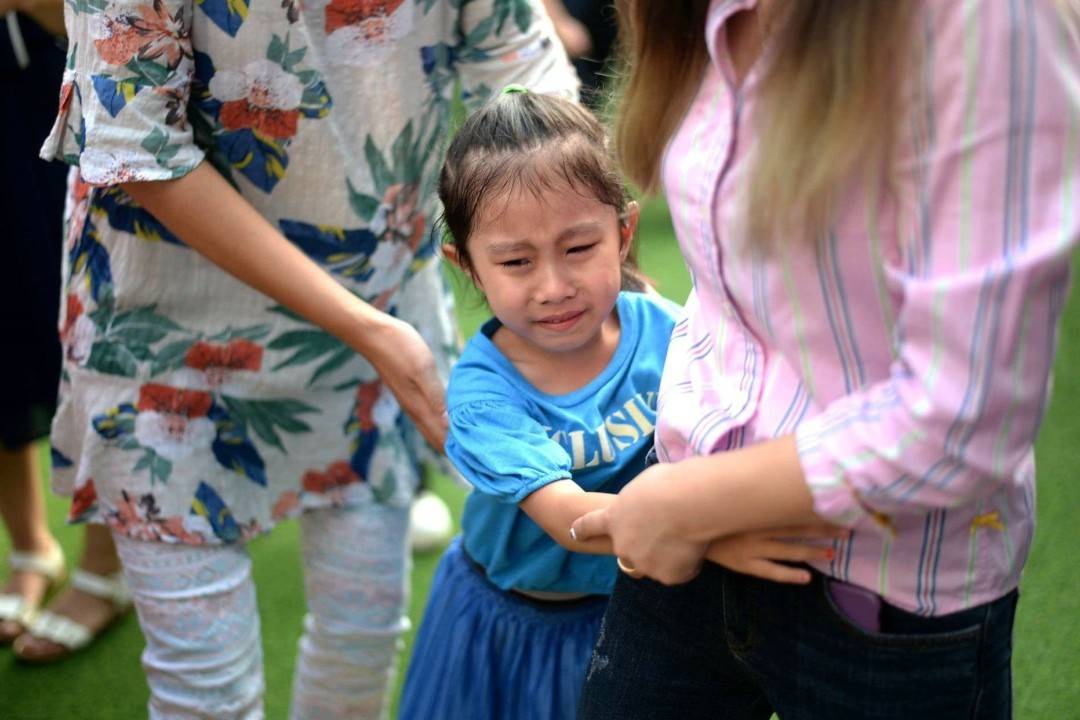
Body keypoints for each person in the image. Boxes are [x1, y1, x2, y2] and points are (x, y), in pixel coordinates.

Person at [36, 0, 579, 716]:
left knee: (363, 636)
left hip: (380, 302)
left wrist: (566, 239)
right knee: (204, 693)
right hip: (168, 331)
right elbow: (138, 148)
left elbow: (519, 59)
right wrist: (368, 328)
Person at [571, 1, 1080, 718]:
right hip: (691, 530)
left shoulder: (982, 20)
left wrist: (686, 502)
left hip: (877, 593)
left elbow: (968, 414)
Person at [398, 88, 840, 720]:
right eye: (517, 261)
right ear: (467, 266)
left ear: (624, 232)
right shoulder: (481, 395)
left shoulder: (669, 330)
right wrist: (715, 540)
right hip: (518, 625)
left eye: (579, 248)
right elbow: (570, 519)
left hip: (634, 606)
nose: (554, 286)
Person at [1, 0, 130, 664]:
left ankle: (105, 565)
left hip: (51, 102)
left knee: (78, 323)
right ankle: (30, 545)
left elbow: (109, 23)